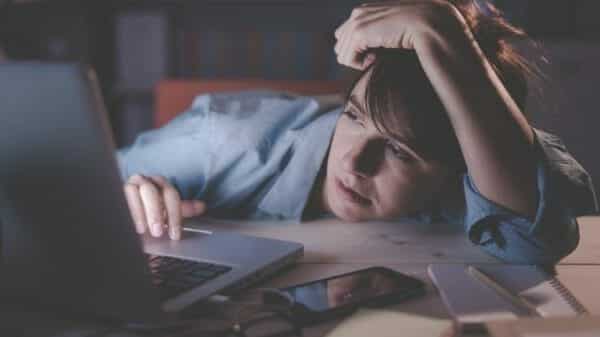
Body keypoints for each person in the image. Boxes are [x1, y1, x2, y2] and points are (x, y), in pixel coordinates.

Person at [116, 0, 597, 265]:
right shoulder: (226, 139)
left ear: (458, 163)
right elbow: (69, 183)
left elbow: (534, 241)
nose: (354, 162)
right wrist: (125, 194)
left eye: (400, 152)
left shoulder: (480, 173)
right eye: (353, 116)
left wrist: (443, 34)